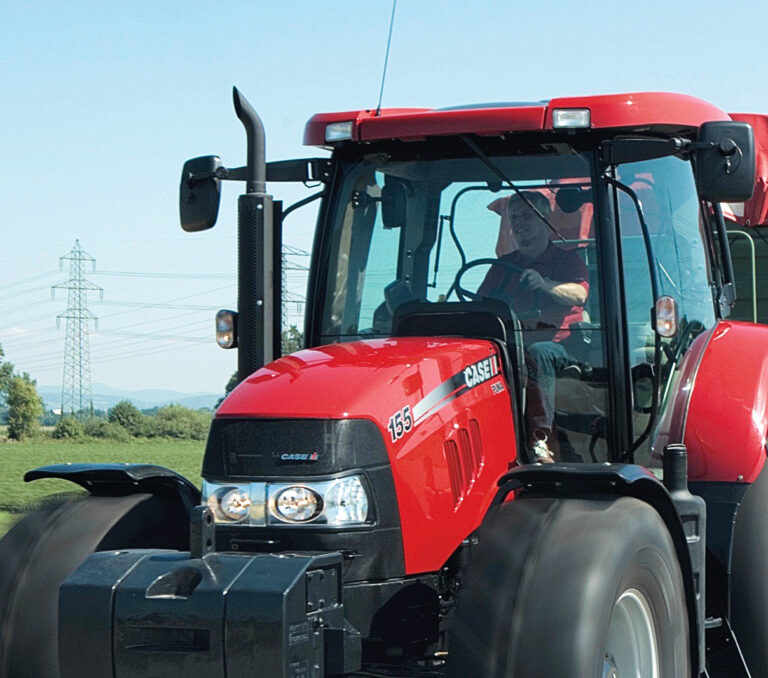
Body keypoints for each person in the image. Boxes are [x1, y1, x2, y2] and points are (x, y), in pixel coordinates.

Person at [478, 191, 589, 463]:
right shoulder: (502, 268)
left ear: (545, 219)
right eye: (514, 217)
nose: (519, 224)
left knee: (537, 352)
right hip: (512, 348)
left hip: (562, 351)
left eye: (527, 216)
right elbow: (480, 307)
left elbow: (579, 294)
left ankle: (541, 442)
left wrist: (545, 284)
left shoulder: (567, 261)